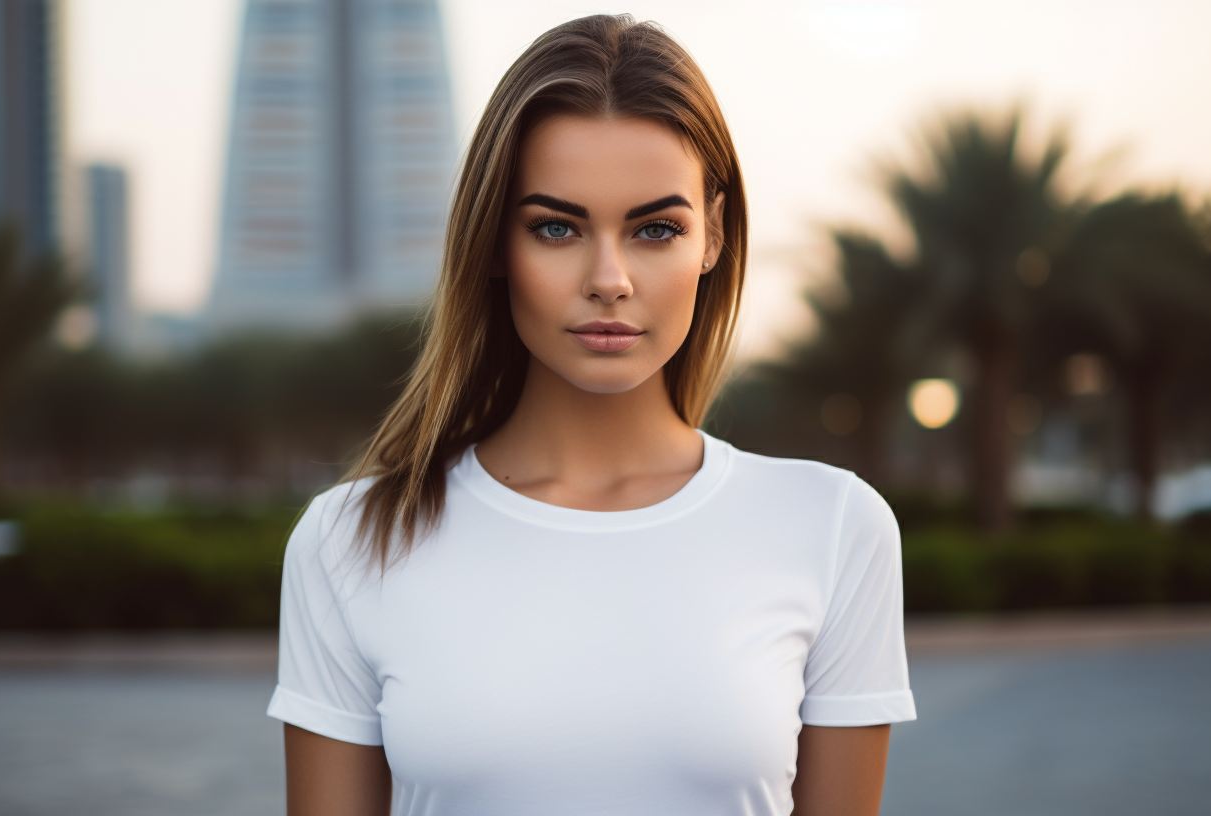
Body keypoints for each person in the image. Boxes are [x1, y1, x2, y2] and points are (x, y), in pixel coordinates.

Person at [267, 14, 915, 816]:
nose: (609, 279)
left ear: (712, 234)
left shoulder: (833, 527)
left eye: (654, 228)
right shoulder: (349, 541)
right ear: (495, 244)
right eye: (556, 227)